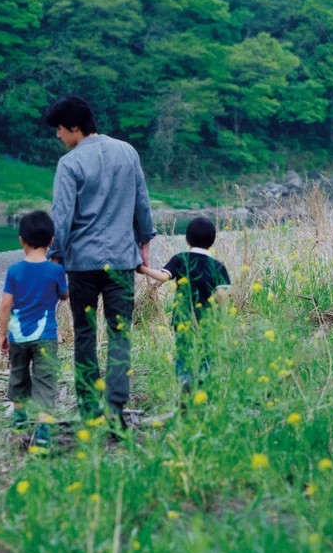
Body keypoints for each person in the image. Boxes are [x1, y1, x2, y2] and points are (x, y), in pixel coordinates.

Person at [45, 95, 156, 424]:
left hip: (82, 264)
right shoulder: (127, 152)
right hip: (122, 260)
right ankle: (116, 408)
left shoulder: (70, 164)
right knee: (120, 333)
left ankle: (89, 408)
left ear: (76, 127)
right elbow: (142, 202)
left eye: (60, 129)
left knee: (84, 333)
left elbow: (61, 217)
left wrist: (54, 257)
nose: (58, 136)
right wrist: (144, 242)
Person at [0, 210, 68, 447]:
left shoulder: (14, 270)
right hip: (46, 337)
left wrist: (1, 334)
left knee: (18, 376)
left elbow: (5, 305)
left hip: (18, 336)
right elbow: (65, 295)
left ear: (21, 240)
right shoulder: (55, 271)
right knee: (45, 383)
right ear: (51, 241)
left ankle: (18, 426)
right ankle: (43, 435)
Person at [137, 215, 231, 392]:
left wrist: (142, 269)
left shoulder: (180, 259)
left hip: (182, 316)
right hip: (207, 318)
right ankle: (204, 382)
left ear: (187, 240)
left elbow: (163, 277)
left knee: (183, 351)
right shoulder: (217, 266)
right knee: (207, 352)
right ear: (212, 241)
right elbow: (220, 295)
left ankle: (184, 380)